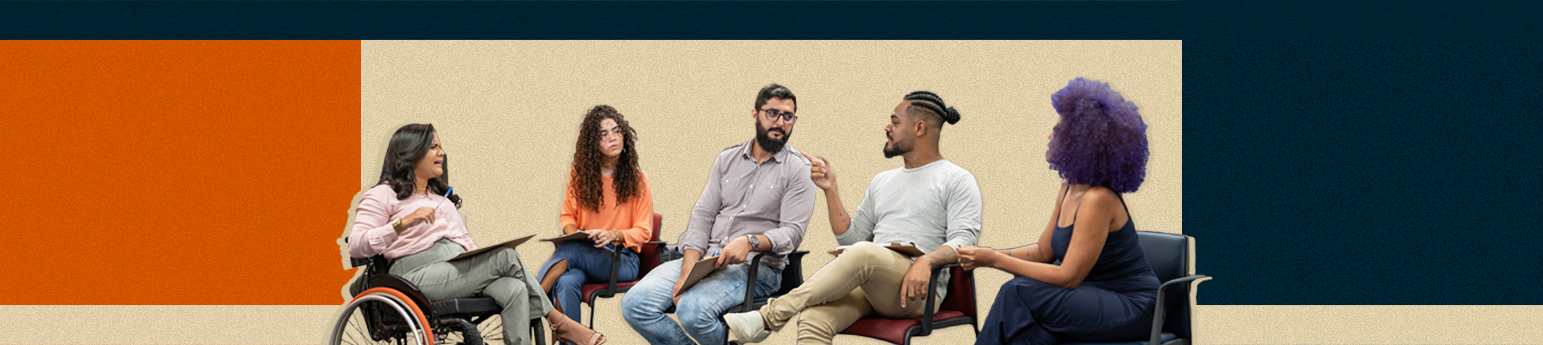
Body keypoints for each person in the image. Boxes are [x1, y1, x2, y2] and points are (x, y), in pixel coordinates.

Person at [722, 91, 983, 345]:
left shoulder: (956, 178)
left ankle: (769, 317)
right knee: (814, 316)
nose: (887, 127)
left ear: (919, 128)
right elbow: (851, 237)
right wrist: (831, 189)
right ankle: (768, 319)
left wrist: (927, 261)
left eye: (894, 121)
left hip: (918, 291)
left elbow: (965, 241)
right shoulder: (883, 181)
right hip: (872, 285)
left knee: (864, 253)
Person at [346, 124, 605, 345]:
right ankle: (559, 322)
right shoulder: (382, 194)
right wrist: (404, 223)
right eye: (433, 147)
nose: (441, 153)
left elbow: (465, 244)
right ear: (410, 153)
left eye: (440, 147)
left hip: (456, 268)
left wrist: (483, 260)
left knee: (514, 288)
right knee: (505, 255)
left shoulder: (442, 202)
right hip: (414, 277)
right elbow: (357, 246)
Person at [957, 78, 1159, 345]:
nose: (1050, 136)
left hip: (1135, 308)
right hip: (1092, 296)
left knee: (1016, 291)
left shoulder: (1098, 198)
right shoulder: (1068, 187)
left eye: (1058, 130)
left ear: (1081, 143)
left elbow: (1068, 277)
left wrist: (995, 260)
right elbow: (1043, 252)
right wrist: (985, 254)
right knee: (1025, 331)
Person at [621, 84, 816, 345]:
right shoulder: (727, 160)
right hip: (705, 259)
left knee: (692, 312)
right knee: (635, 305)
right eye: (772, 113)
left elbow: (792, 233)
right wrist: (687, 273)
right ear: (755, 114)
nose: (780, 122)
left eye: (788, 116)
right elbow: (703, 215)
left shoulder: (799, 169)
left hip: (755, 268)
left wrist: (750, 242)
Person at [536, 105, 654, 330]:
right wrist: (576, 235)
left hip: (622, 260)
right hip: (585, 253)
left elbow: (644, 231)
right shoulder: (579, 176)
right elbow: (567, 216)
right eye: (603, 134)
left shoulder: (639, 179)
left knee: (569, 252)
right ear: (592, 144)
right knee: (566, 282)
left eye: (617, 131)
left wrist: (612, 235)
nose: (613, 138)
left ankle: (533, 298)